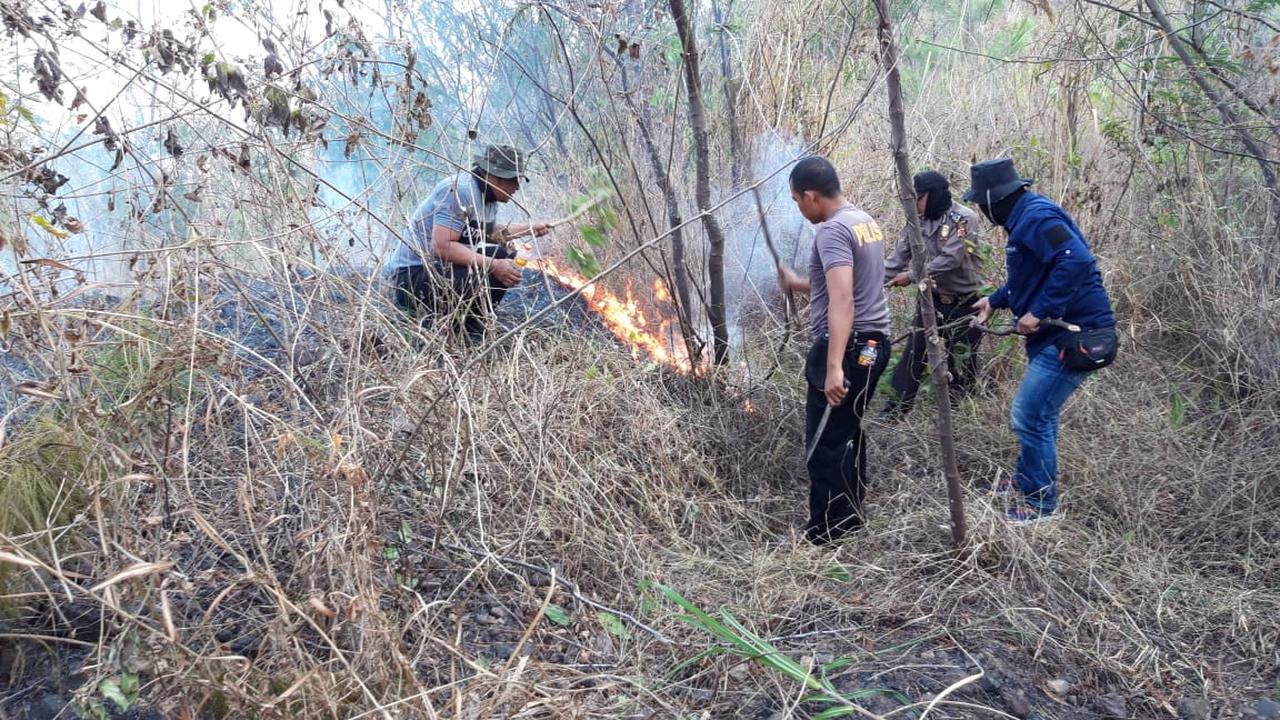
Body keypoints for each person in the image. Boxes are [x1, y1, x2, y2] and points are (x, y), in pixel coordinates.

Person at [966, 158, 1115, 526]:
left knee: (1029, 414)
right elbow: (1031, 276)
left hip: (1075, 334)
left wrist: (1040, 310)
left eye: (982, 204)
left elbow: (1076, 260)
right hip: (1055, 334)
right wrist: (995, 300)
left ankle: (1040, 505)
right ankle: (1028, 479)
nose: (982, 211)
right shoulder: (1025, 217)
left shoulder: (1036, 217)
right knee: (1039, 415)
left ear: (995, 200)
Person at [777, 156, 892, 545]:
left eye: (797, 200)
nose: (799, 207)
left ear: (811, 195)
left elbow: (844, 300)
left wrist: (833, 368)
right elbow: (846, 283)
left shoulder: (831, 231)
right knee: (846, 432)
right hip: (873, 346)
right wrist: (798, 284)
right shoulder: (863, 222)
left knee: (824, 443)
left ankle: (824, 533)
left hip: (848, 348)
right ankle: (849, 520)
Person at [386, 144, 550, 342]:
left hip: (439, 270)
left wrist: (529, 229)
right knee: (490, 267)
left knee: (504, 255)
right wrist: (494, 265)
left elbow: (487, 233)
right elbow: (441, 247)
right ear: (494, 177)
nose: (517, 187)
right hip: (412, 277)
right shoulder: (459, 191)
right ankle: (452, 328)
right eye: (514, 180)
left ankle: (472, 323)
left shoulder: (489, 199)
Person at [883, 170, 986, 415]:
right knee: (913, 354)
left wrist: (911, 276)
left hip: (966, 303)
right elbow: (897, 259)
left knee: (961, 362)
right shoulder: (915, 221)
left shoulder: (963, 219)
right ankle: (895, 410)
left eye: (918, 199)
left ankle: (959, 413)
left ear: (934, 195)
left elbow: (951, 258)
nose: (915, 205)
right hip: (932, 301)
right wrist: (869, 284)